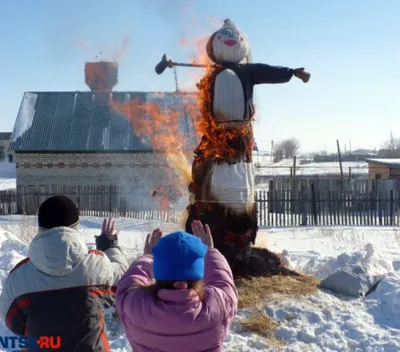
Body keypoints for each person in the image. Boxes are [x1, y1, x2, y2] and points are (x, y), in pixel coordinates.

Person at [0, 195, 129, 352]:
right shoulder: (95, 265)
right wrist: (109, 244)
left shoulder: (18, 278)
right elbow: (123, 279)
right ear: (76, 228)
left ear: (40, 229)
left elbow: (12, 322)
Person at [116, 220, 238, 352]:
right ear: (198, 272)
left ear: (158, 270)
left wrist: (147, 257)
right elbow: (224, 282)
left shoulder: (136, 306)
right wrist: (210, 252)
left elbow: (128, 283)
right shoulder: (217, 306)